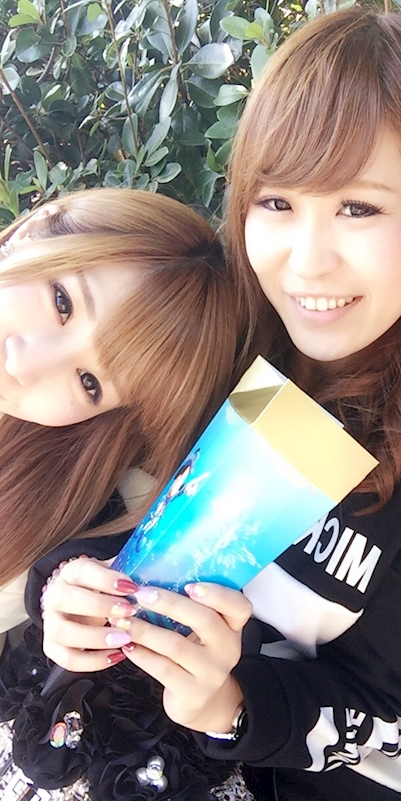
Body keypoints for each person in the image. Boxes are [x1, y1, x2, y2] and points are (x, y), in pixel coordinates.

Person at [23, 10, 401, 801]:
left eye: (358, 208)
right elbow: (89, 514)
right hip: (105, 748)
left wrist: (231, 703)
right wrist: (64, 594)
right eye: (277, 201)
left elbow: (391, 716)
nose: (307, 260)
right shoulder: (223, 352)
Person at [0, 187, 244, 652]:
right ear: (34, 228)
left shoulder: (37, 512)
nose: (24, 365)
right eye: (62, 302)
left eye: (89, 382)